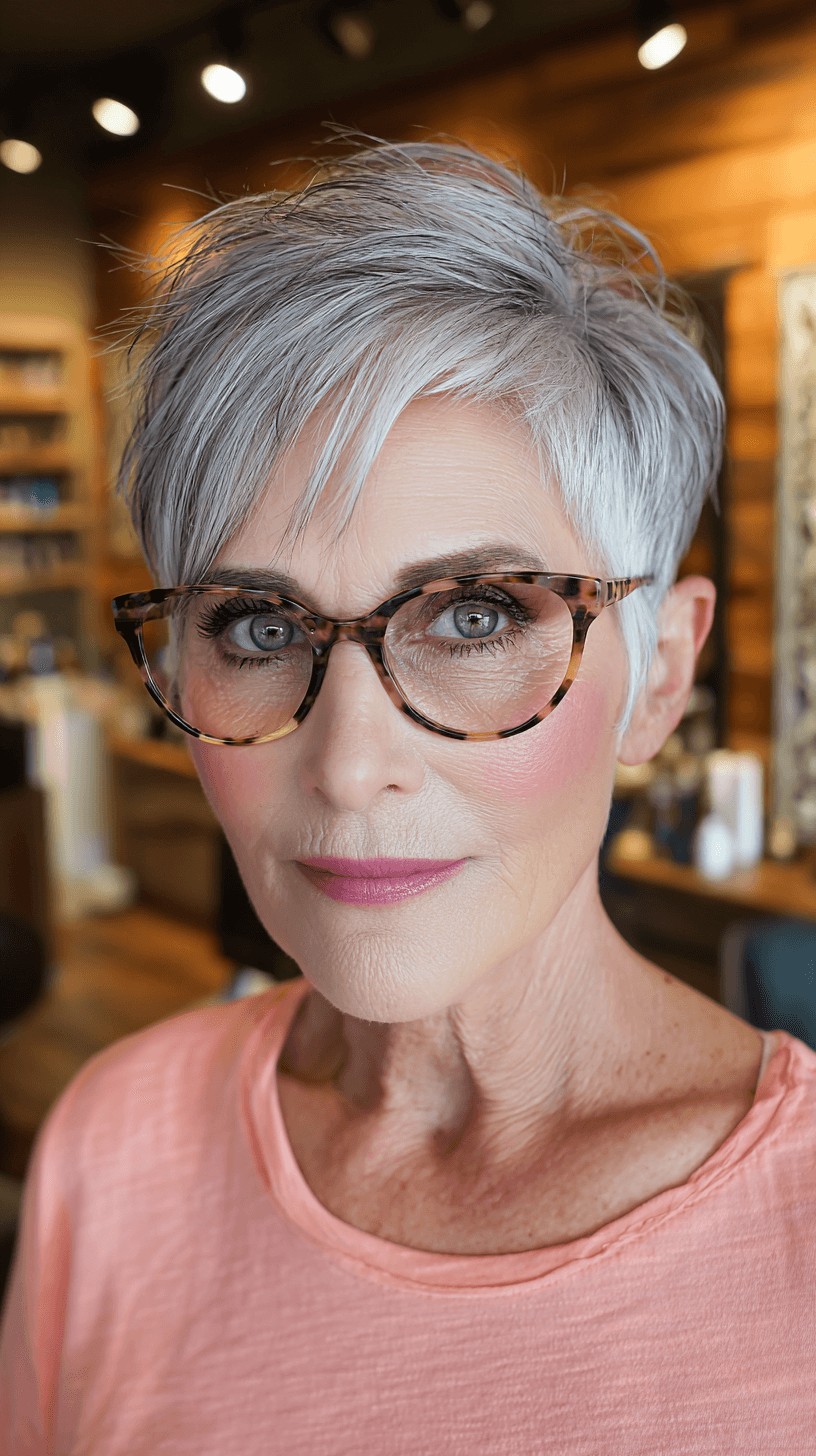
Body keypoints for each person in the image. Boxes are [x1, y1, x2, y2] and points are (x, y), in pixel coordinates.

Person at [0, 135, 813, 1455]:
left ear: (659, 675)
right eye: (257, 629)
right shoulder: (116, 1148)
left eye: (479, 615)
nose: (349, 763)